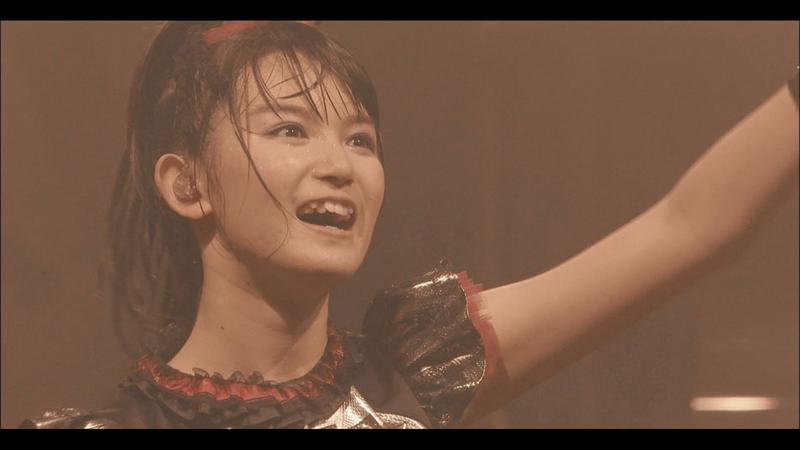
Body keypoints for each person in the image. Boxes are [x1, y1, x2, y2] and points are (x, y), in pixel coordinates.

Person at [20, 21, 799, 429]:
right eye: (290, 129)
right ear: (187, 184)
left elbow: (691, 227)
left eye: (361, 140)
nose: (340, 165)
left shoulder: (416, 370)